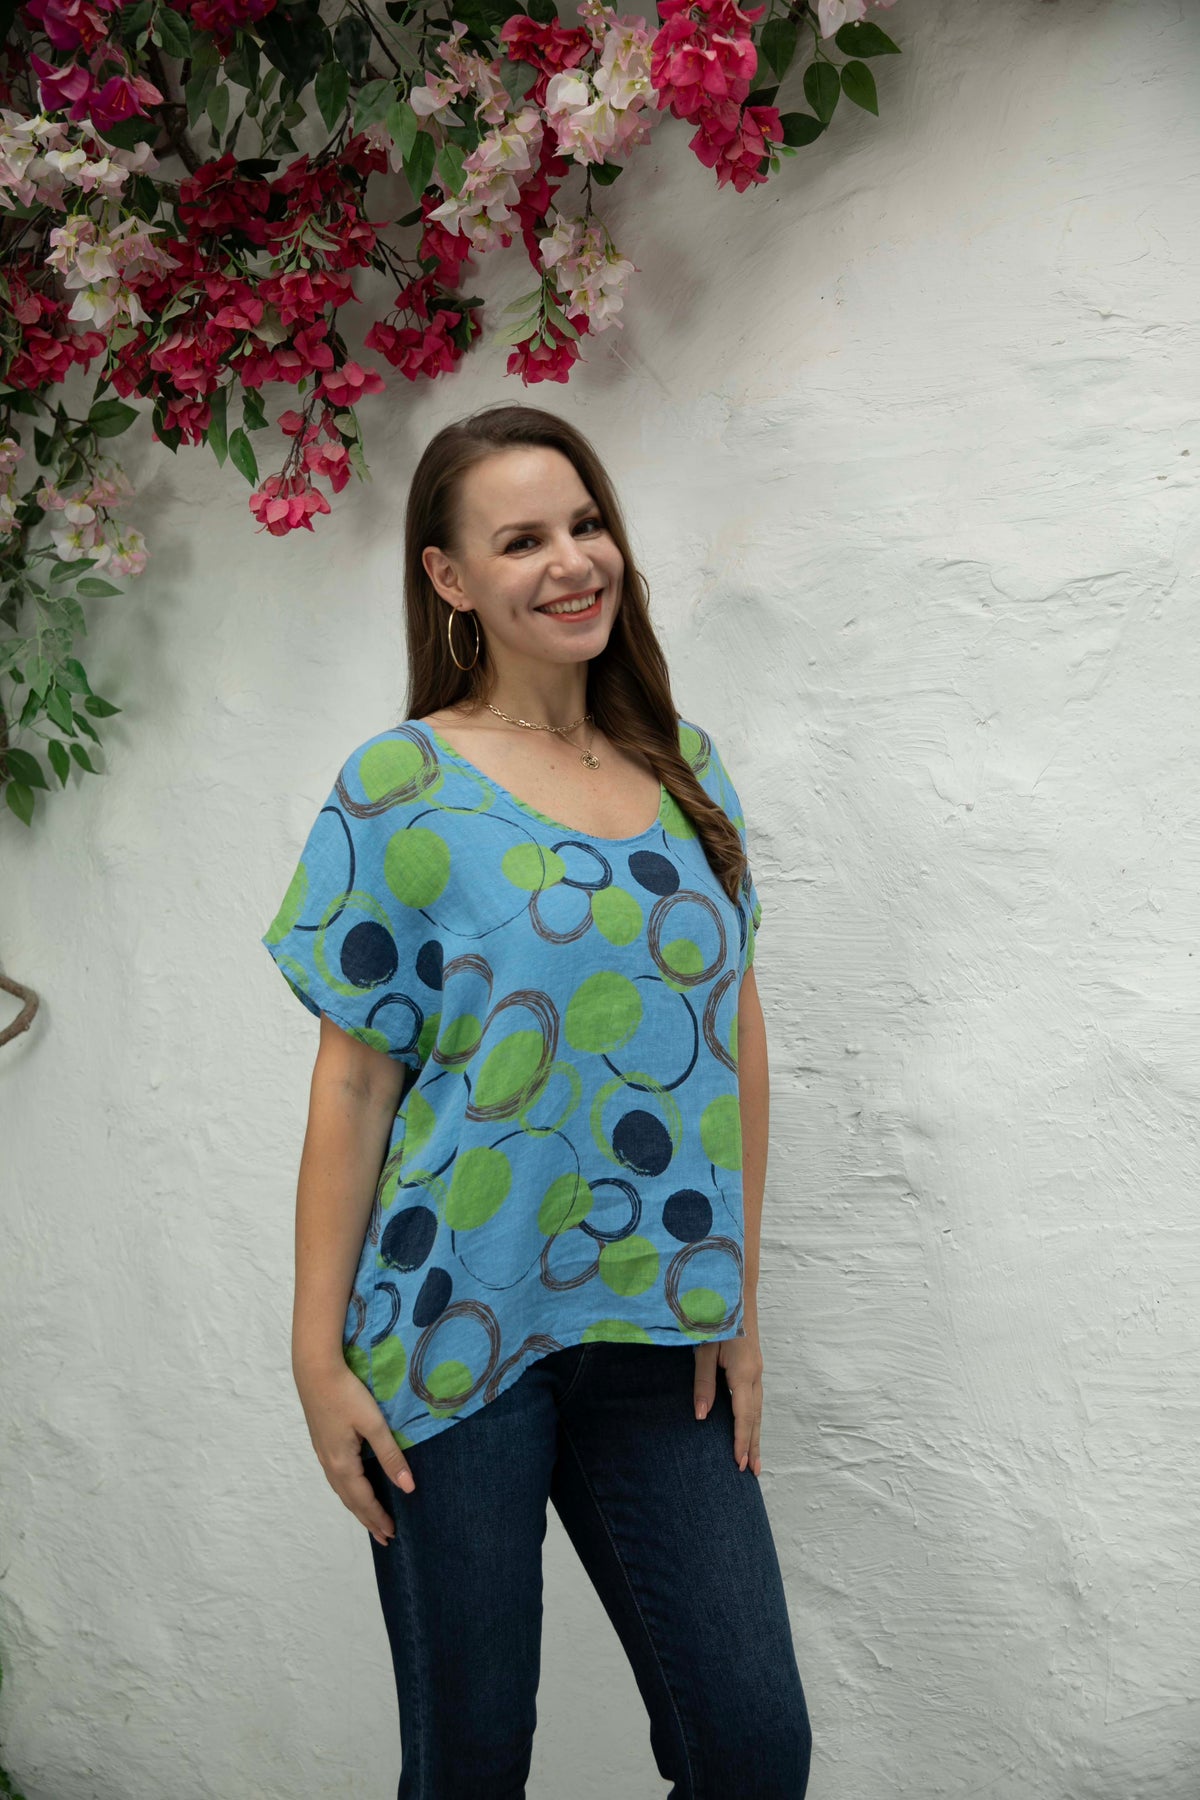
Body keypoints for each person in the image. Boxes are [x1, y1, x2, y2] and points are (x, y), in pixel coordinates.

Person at [261, 401, 812, 1799]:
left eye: (585, 523)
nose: (572, 561)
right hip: (454, 1327)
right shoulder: (399, 787)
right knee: (473, 1766)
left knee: (753, 1748)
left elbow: (734, 1038)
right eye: (520, 541)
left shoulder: (685, 767)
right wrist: (318, 1361)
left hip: (661, 1323)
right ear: (449, 579)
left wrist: (738, 1299)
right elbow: (354, 1080)